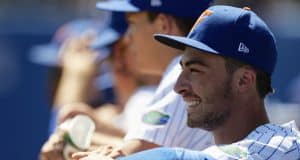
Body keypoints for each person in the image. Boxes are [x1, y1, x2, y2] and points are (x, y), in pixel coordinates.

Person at [77, 5, 300, 160]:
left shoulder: (281, 146)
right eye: (182, 68)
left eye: (195, 71)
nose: (179, 86)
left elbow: (174, 157)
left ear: (244, 80)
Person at [72, 0, 213, 159]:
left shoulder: (182, 73)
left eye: (132, 23)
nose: (127, 37)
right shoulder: (201, 69)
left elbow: (130, 155)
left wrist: (69, 144)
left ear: (163, 25)